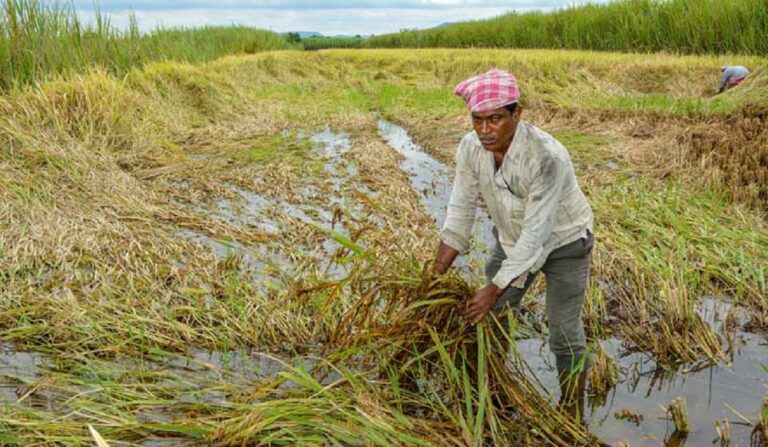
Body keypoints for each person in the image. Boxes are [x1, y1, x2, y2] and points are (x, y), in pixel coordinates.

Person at [433, 68, 594, 420]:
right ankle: (494, 394)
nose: (485, 130)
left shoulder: (547, 157)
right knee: (490, 321)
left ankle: (571, 413)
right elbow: (460, 208)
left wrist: (494, 287)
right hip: (512, 238)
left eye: (495, 119)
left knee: (564, 333)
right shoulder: (470, 148)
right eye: (477, 120)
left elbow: (537, 235)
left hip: (565, 242)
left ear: (516, 114)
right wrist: (436, 272)